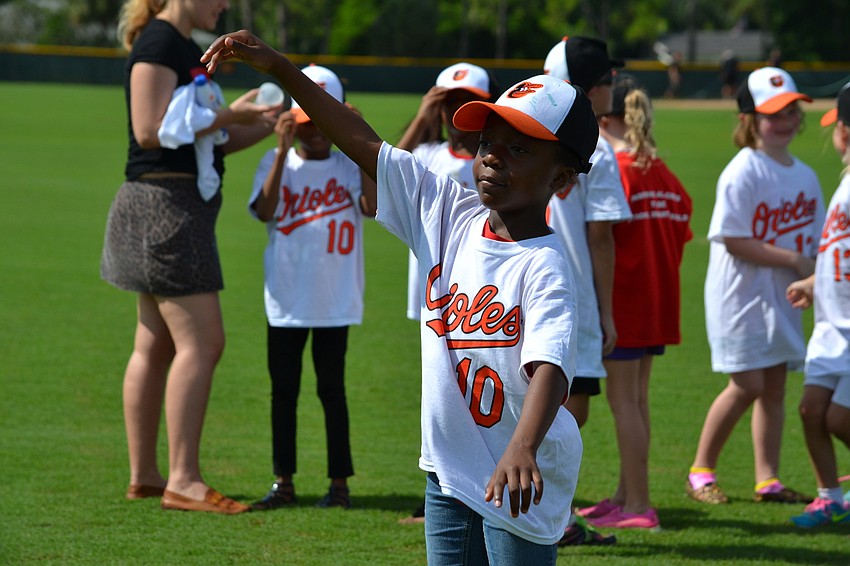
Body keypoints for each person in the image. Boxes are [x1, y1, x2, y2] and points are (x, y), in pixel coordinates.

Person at [203, 30, 595, 563]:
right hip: (447, 470)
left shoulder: (545, 265)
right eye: (487, 144)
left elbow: (550, 366)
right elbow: (362, 140)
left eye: (518, 149)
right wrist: (281, 70)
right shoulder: (444, 212)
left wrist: (522, 446)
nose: (492, 159)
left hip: (520, 474)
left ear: (563, 177)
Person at [101, 0, 279, 514]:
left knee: (154, 345)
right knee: (203, 343)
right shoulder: (158, 43)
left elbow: (209, 141)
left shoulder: (186, 50)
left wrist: (269, 124)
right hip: (165, 210)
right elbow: (149, 130)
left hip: (162, 206)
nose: (224, 4)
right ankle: (184, 480)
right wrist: (229, 113)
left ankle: (146, 476)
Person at [687, 67, 824, 506]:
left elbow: (817, 240)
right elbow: (732, 237)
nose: (783, 121)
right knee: (746, 384)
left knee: (775, 385)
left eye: (790, 112)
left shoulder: (804, 174)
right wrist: (794, 261)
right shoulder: (743, 170)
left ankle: (769, 479)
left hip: (783, 294)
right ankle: (700, 471)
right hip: (741, 296)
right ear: (749, 119)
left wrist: (810, 276)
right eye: (772, 114)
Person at [248, 64, 377, 511]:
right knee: (283, 392)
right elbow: (264, 211)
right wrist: (282, 151)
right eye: (305, 124)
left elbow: (372, 205)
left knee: (331, 391)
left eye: (323, 122)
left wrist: (356, 140)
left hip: (334, 300)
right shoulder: (275, 162)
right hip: (285, 298)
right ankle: (283, 481)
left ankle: (339, 484)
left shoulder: (349, 165)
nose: (315, 133)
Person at [582, 75, 692, 530]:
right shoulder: (661, 169)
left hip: (624, 299)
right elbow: (682, 229)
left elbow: (602, 238)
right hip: (657, 299)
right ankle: (626, 493)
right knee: (637, 400)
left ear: (605, 116)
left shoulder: (615, 167)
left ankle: (639, 505)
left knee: (623, 402)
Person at [395, 61, 497, 524]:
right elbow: (380, 181)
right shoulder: (429, 154)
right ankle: (441, 490)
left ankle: (486, 483)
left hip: (485, 304)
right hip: (437, 303)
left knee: (485, 398)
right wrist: (422, 116)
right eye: (448, 102)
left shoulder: (496, 162)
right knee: (440, 400)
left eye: (466, 103)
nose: (456, 112)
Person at [543, 35, 631, 545]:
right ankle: (553, 518)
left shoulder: (524, 130)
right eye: (607, 82)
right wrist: (608, 313)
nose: (612, 89)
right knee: (568, 412)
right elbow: (601, 238)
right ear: (587, 89)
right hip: (569, 291)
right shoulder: (598, 146)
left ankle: (545, 514)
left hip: (517, 285)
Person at [785, 82, 850, 528]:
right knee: (811, 410)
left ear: (844, 131)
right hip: (831, 324)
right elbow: (837, 250)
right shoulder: (845, 181)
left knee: (840, 417)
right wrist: (815, 280)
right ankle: (830, 497)